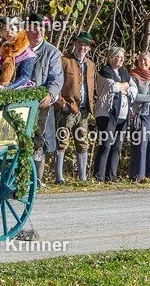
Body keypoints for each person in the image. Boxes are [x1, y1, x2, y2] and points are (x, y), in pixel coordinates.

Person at [26, 13, 64, 195]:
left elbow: (56, 79)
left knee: (38, 141)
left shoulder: (52, 52)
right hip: (18, 103)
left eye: (42, 28)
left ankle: (35, 178)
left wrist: (50, 94)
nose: (39, 32)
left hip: (40, 104)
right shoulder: (18, 47)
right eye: (35, 28)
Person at [55, 32, 96, 183]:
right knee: (62, 141)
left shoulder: (91, 65)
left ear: (89, 48)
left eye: (86, 46)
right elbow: (56, 83)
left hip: (84, 110)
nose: (82, 48)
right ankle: (59, 177)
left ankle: (82, 177)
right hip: (67, 109)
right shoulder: (64, 61)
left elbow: (91, 87)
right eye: (80, 44)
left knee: (82, 142)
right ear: (75, 44)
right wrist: (61, 104)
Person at [92, 47, 135, 182]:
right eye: (118, 57)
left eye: (122, 57)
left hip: (122, 115)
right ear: (111, 58)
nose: (121, 60)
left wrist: (125, 87)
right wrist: (126, 85)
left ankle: (111, 176)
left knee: (117, 146)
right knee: (106, 145)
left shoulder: (124, 73)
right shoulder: (105, 72)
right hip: (106, 114)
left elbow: (134, 88)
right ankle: (99, 176)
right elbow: (113, 87)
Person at [128, 52, 150, 182]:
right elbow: (135, 96)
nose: (143, 62)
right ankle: (137, 175)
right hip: (140, 115)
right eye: (141, 60)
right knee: (140, 144)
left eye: (145, 60)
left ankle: (147, 174)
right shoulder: (134, 77)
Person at [0, 17, 35, 89]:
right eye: (5, 29)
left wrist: (9, 88)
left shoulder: (26, 53)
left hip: (19, 88)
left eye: (12, 29)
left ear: (18, 30)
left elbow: (25, 76)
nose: (9, 32)